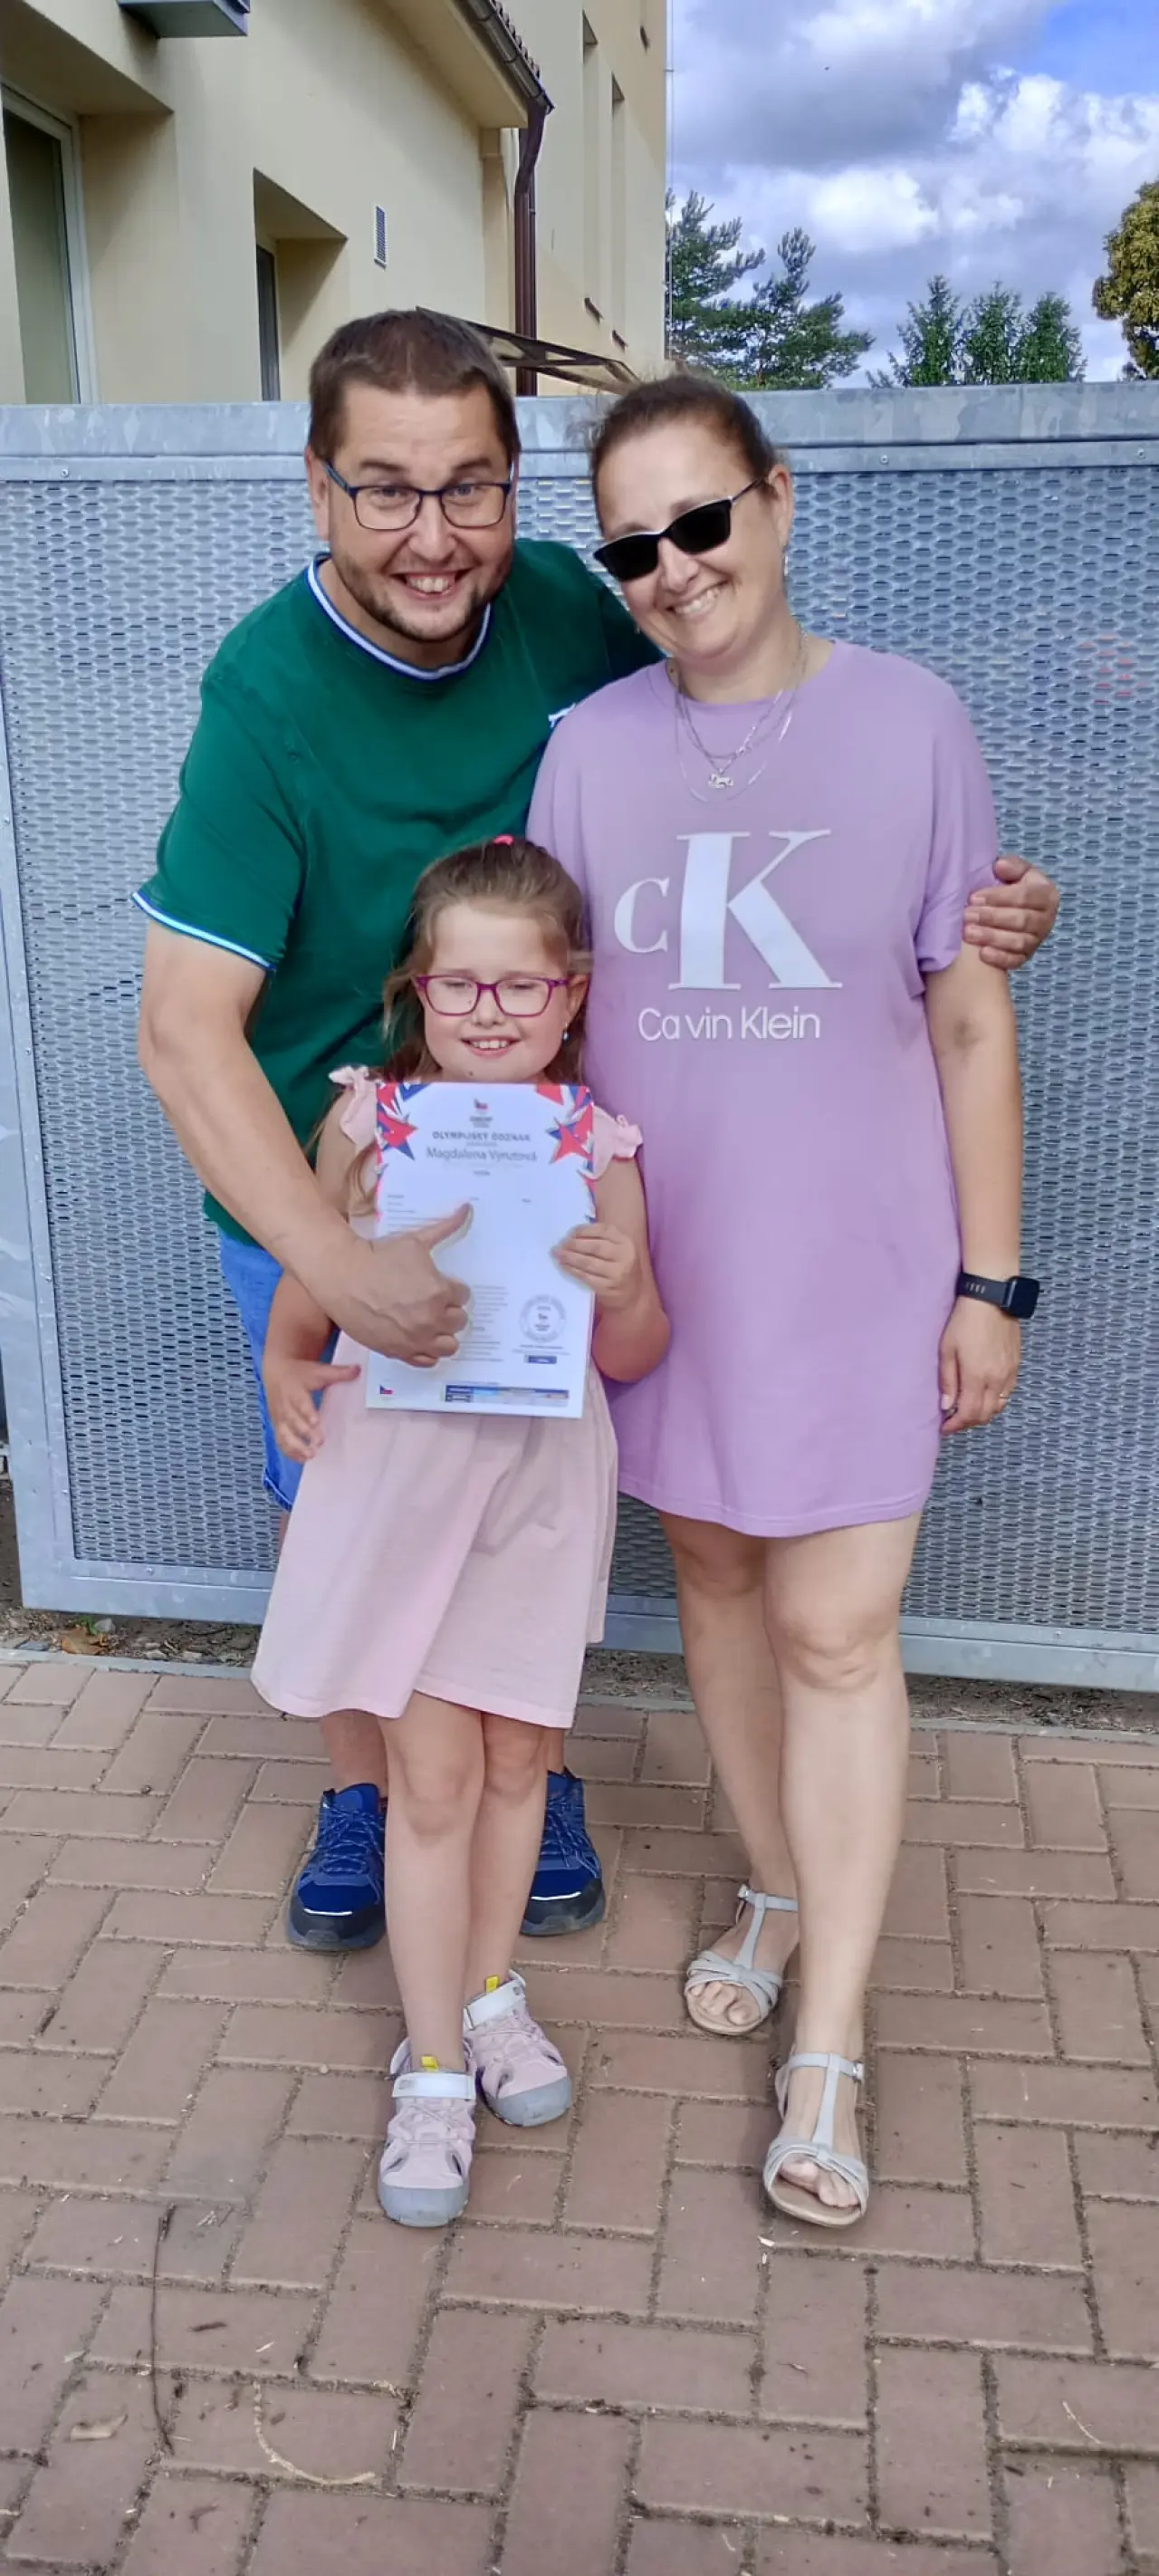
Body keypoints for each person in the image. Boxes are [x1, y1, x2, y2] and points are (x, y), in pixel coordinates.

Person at [136, 305, 1058, 1964]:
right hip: (329, 1167)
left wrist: (972, 909)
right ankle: (367, 1795)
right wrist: (331, 1261)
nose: (433, 535)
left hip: (543, 1164)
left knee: (518, 1488)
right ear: (319, 491)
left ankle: (526, 1772)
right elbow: (183, 1029)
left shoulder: (577, 604)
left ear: (515, 494)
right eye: (386, 489)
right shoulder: (266, 693)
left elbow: (757, 760)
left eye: (471, 488)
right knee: (353, 1506)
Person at [529, 371, 1038, 2228]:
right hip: (668, 1272)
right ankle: (775, 1881)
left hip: (857, 1267)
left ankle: (828, 2041)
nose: (672, 569)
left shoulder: (912, 721)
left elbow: (967, 1015)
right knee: (720, 1584)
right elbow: (548, 1014)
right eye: (632, 547)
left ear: (778, 500)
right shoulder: (586, 750)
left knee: (839, 1626)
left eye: (700, 522)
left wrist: (992, 1281)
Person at [251, 838, 667, 2225]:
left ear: (571, 994)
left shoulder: (597, 1146)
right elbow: (308, 1290)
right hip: (407, 1478)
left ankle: (490, 1995)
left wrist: (621, 1288)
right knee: (430, 1783)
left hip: (538, 1487)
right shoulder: (370, 1123)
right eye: (459, 985)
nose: (490, 1011)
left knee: (517, 1763)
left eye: (521, 985)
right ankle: (431, 2068)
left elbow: (638, 1348)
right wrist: (285, 1364)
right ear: (416, 991)